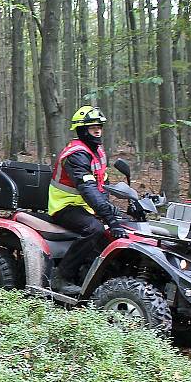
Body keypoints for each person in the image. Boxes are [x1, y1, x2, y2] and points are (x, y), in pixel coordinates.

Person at [47, 105, 128, 294]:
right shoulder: (76, 154)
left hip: (87, 206)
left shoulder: (97, 151)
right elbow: (88, 189)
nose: (98, 130)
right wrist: (109, 217)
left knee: (125, 224)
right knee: (95, 229)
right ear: (82, 130)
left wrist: (110, 207)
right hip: (64, 206)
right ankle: (62, 276)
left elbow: (102, 182)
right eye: (93, 128)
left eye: (99, 127)